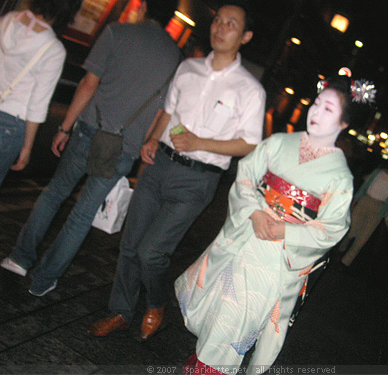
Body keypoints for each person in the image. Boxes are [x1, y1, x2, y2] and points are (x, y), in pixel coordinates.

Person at [87, 1, 266, 341]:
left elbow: (250, 144)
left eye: (231, 24)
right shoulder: (189, 68)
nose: (221, 27)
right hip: (159, 165)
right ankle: (120, 312)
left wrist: (202, 142)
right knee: (130, 244)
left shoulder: (250, 90)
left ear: (245, 36)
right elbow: (168, 113)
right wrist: (153, 139)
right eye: (218, 20)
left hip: (197, 179)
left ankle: (156, 303)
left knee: (151, 251)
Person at [175, 75, 358, 373]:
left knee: (233, 323)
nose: (316, 112)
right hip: (246, 239)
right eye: (316, 103)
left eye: (328, 110)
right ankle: (201, 365)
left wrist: (285, 229)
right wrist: (255, 211)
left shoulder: (340, 177)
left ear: (343, 124)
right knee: (222, 317)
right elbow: (246, 175)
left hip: (277, 259)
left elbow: (333, 227)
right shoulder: (278, 143)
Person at [0, 0, 182, 297]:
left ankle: (20, 259)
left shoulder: (117, 32)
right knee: (83, 215)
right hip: (124, 147)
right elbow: (165, 111)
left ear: (145, 6)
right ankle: (44, 279)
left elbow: (88, 83)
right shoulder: (175, 58)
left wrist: (64, 126)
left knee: (55, 193)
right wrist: (141, 146)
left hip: (88, 131)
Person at [0, 0, 81, 202]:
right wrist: (27, 147)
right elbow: (37, 105)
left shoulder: (5, 21)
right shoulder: (53, 50)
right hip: (9, 124)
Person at [338, 152, 388, 266]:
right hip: (365, 201)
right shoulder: (378, 173)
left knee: (362, 238)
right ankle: (342, 245)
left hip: (379, 209)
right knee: (352, 229)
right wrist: (355, 200)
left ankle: (345, 262)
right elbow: (365, 186)